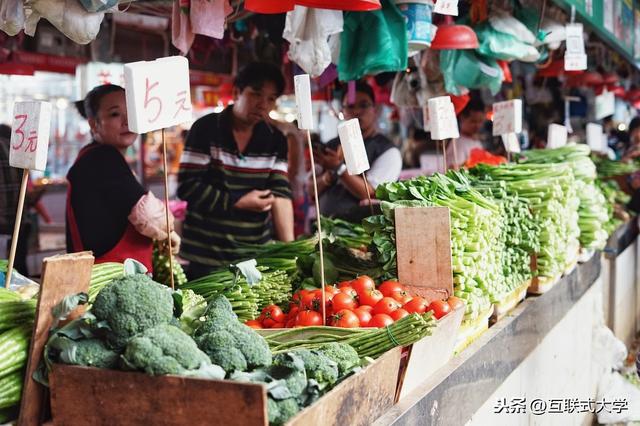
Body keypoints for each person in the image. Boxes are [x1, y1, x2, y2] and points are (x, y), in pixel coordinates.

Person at [178, 62, 294, 279]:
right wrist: (237, 201)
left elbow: (280, 192)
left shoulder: (275, 139)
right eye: (256, 94)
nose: (263, 104)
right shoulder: (206, 129)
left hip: (253, 256)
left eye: (271, 99)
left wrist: (290, 251)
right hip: (205, 256)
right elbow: (188, 187)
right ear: (237, 92)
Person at [66, 84, 179, 270]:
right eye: (115, 114)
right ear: (94, 123)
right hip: (107, 278)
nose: (127, 121)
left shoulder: (96, 156)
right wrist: (169, 229)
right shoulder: (103, 158)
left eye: (132, 112)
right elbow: (150, 216)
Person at [313, 81, 402, 219]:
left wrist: (339, 168)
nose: (356, 111)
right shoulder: (330, 146)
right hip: (326, 226)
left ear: (375, 109)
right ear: (342, 111)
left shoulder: (388, 151)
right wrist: (329, 176)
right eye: (350, 106)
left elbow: (370, 192)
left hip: (362, 232)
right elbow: (310, 190)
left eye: (364, 105)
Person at [447, 96, 486, 167]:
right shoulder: (458, 144)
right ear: (462, 119)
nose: (477, 125)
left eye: (480, 121)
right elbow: (452, 169)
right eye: (473, 121)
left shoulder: (476, 140)